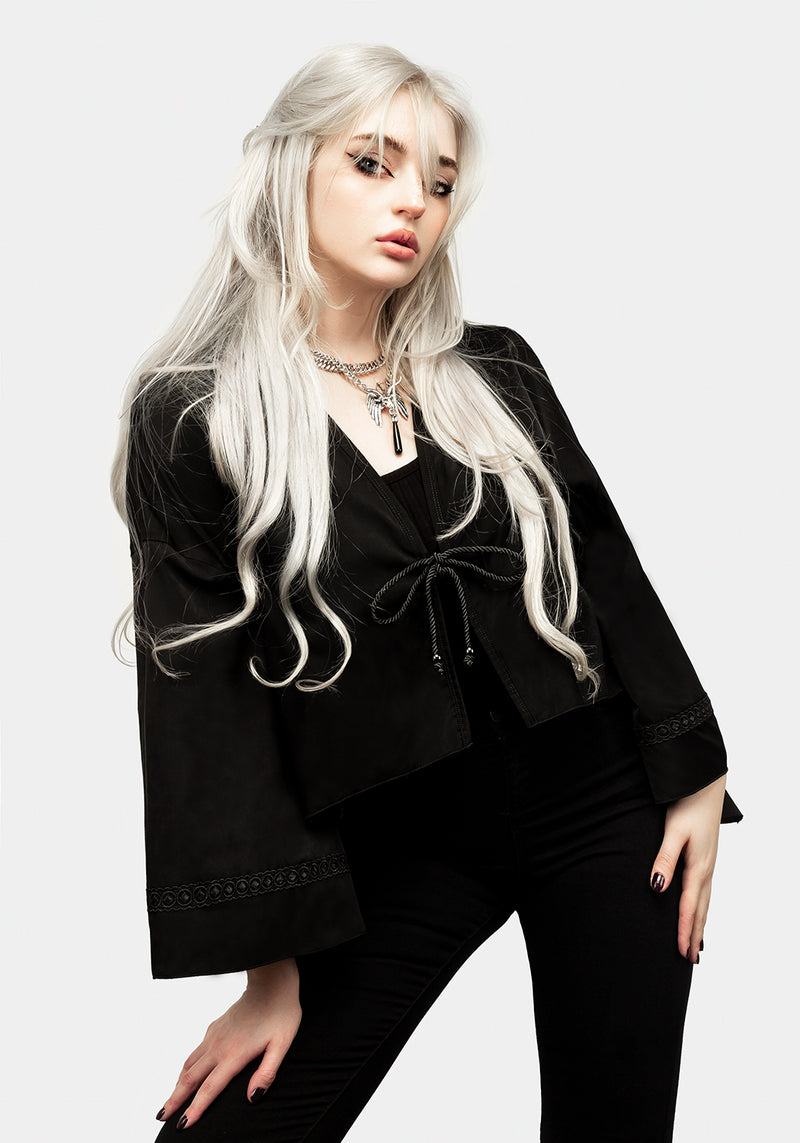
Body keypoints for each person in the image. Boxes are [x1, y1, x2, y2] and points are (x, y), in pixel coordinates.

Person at [112, 42, 742, 1143]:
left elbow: (603, 568)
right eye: (373, 162)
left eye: (439, 182)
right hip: (396, 837)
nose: (413, 200)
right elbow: (203, 706)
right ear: (290, 167)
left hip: (602, 800)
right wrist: (269, 971)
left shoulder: (495, 371)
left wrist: (693, 770)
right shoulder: (195, 415)